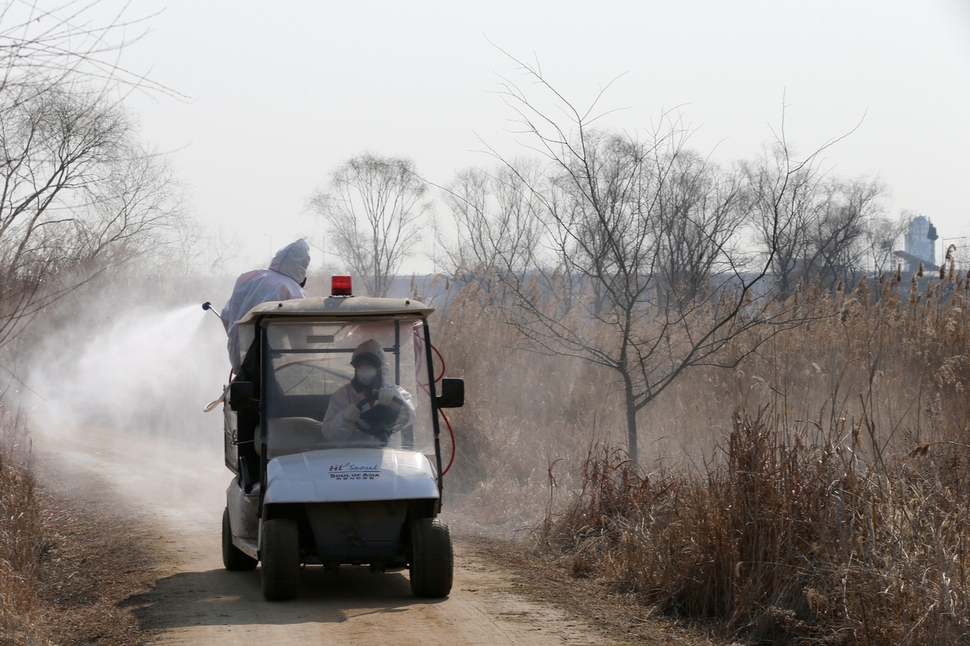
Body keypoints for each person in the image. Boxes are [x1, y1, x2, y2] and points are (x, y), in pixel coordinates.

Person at [220, 239, 310, 373]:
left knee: (245, 388)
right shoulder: (293, 291)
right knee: (269, 391)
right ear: (302, 265)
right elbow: (301, 337)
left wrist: (237, 340)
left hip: (236, 353)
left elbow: (226, 316)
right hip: (266, 358)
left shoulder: (249, 277)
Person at [322, 339, 415, 444]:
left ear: (381, 367)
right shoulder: (342, 395)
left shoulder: (395, 391)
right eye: (360, 364)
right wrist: (343, 418)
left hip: (387, 455)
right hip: (352, 456)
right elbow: (330, 435)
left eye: (370, 364)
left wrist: (395, 400)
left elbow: (410, 416)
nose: (364, 368)